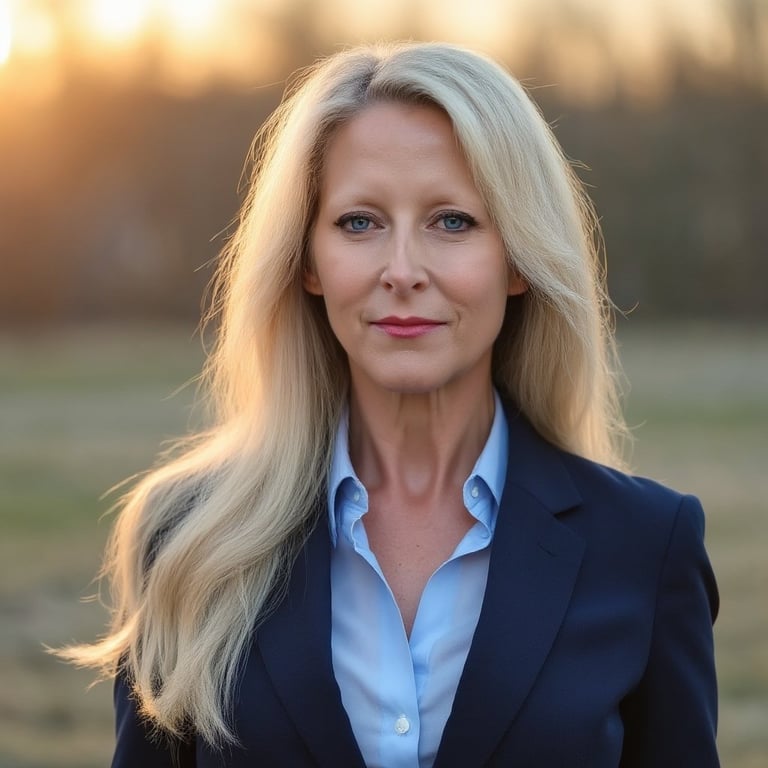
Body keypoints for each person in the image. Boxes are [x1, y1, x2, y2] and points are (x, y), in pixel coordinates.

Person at [61, 42, 720, 767]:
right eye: (359, 222)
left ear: (520, 260)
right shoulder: (186, 542)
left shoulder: (646, 548)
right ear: (307, 261)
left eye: (453, 221)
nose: (402, 272)